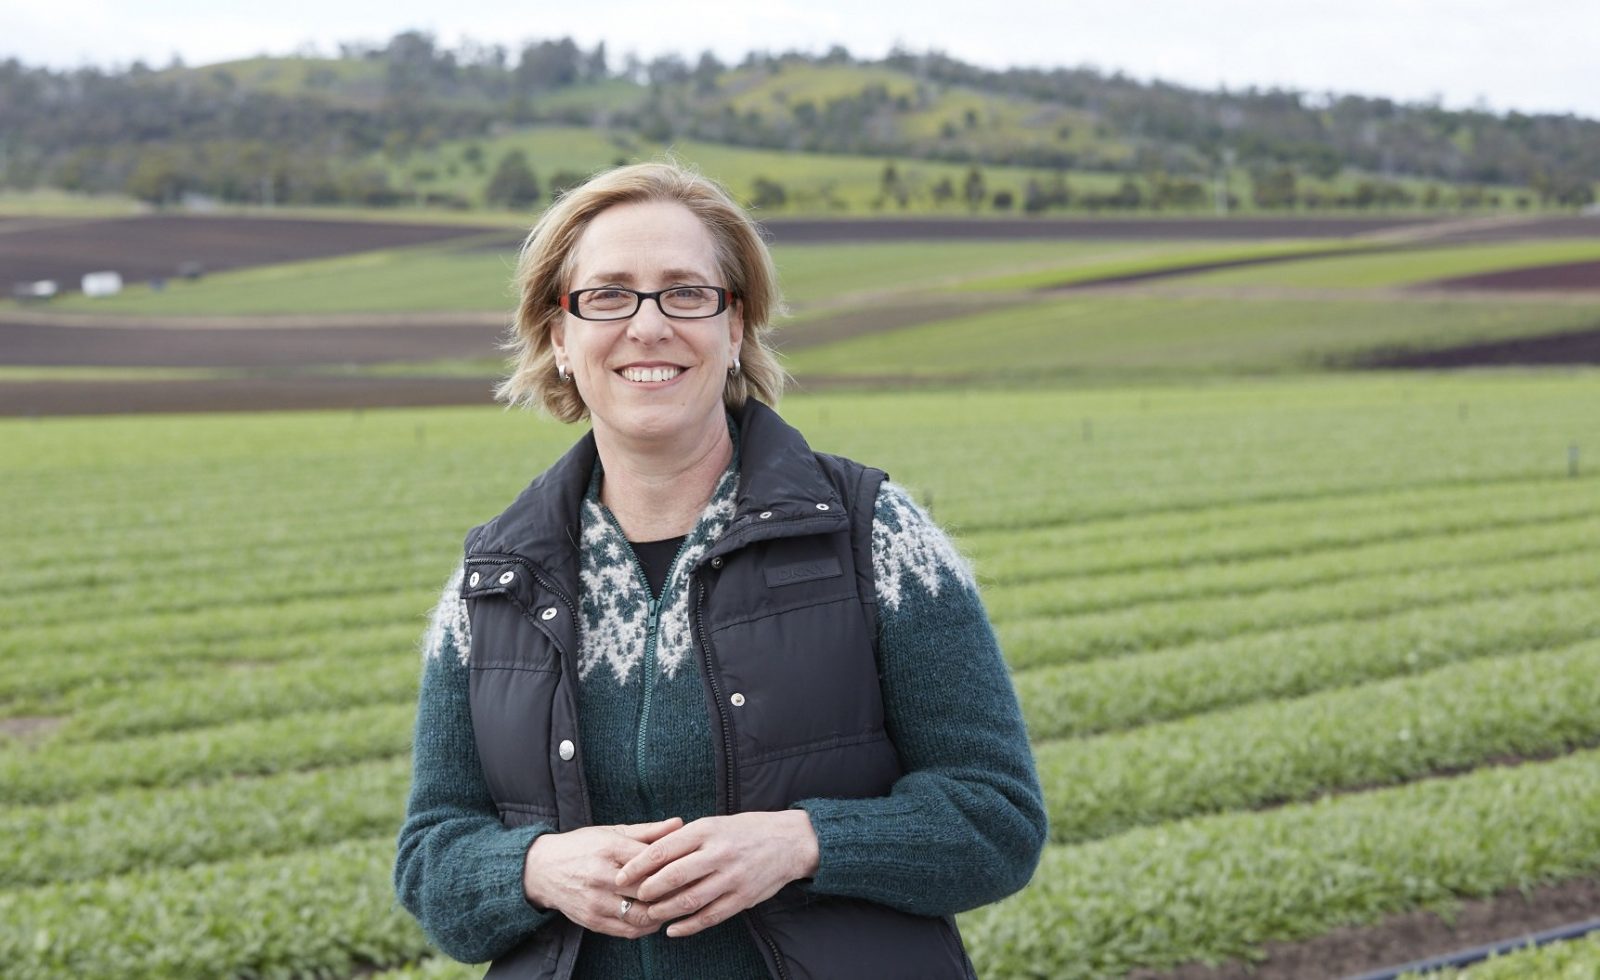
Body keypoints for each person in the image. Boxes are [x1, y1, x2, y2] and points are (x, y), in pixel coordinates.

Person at [393, 161, 1046, 980]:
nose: (648, 325)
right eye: (608, 295)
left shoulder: (874, 536)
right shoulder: (495, 582)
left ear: (735, 328)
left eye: (686, 293)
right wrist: (533, 869)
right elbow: (431, 856)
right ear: (559, 338)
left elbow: (997, 820)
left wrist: (801, 843)